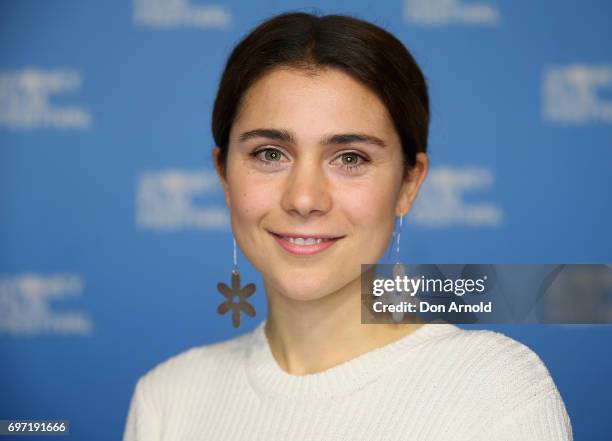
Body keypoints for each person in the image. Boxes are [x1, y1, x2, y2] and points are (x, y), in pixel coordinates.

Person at [123, 12, 572, 440]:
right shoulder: (168, 397)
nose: (303, 199)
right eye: (270, 154)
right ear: (224, 175)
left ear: (408, 184)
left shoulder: (493, 390)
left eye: (350, 158)